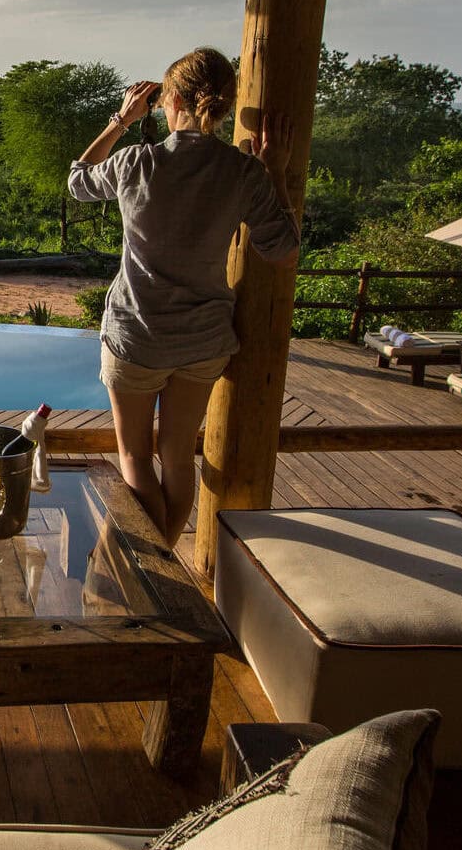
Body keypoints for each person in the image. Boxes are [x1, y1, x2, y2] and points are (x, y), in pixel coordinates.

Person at [67, 47, 299, 550]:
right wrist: (275, 173)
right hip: (203, 342)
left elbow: (78, 180)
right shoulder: (244, 172)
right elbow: (282, 250)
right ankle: (165, 564)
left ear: (170, 101)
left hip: (137, 336)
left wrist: (121, 120)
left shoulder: (137, 162)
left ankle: (156, 569)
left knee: (135, 457)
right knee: (176, 458)